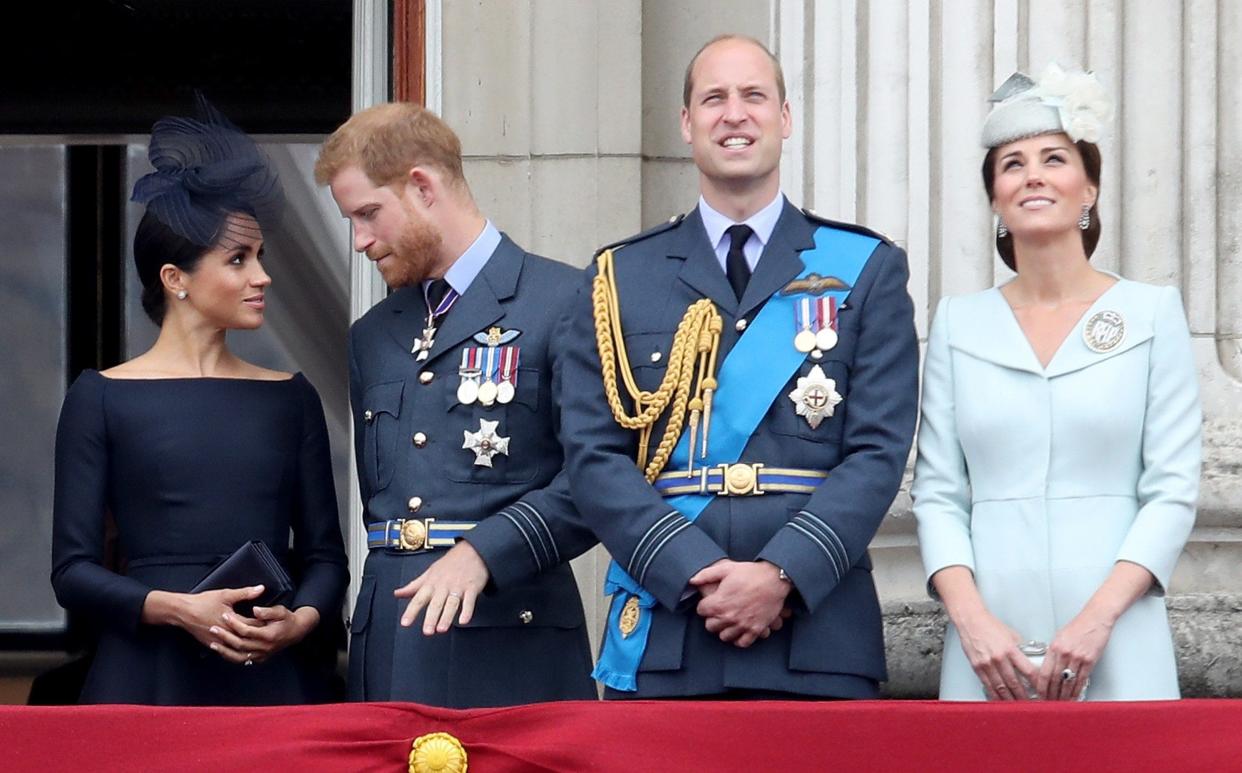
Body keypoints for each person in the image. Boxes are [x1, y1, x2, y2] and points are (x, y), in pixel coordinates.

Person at [560, 35, 919, 699]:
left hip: (818, 634)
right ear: (687, 123)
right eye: (714, 98)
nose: (734, 113)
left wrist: (783, 571)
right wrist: (696, 572)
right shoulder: (619, 276)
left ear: (784, 118)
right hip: (672, 630)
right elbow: (592, 456)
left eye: (753, 95)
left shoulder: (865, 268)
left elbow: (878, 452)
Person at [912, 64, 1201, 701]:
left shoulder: (1150, 314)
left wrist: (1098, 622)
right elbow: (937, 494)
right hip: (990, 641)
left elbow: (1173, 489)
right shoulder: (959, 323)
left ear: (1089, 187)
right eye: (1011, 164)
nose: (1033, 175)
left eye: (1054, 158)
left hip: (1117, 630)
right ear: (995, 199)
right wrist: (973, 624)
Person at [51, 97, 349, 705]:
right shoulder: (100, 398)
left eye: (260, 256)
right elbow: (72, 573)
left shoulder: (291, 398)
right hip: (144, 679)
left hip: (269, 677)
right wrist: (176, 609)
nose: (261, 276)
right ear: (174, 278)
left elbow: (326, 559)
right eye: (238, 259)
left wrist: (299, 622)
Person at [315, 102, 597, 707]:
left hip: (511, 638)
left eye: (369, 214)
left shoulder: (566, 300)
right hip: (390, 641)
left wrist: (485, 551)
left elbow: (601, 479)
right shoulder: (373, 334)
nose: (361, 241)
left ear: (422, 186)